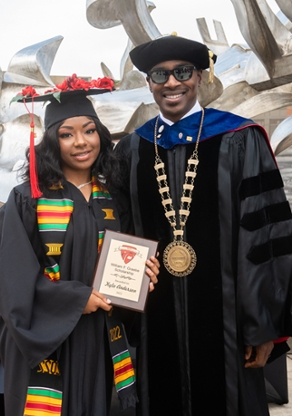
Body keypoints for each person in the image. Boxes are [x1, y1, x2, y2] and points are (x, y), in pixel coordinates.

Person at [115, 34, 292, 416]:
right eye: (159, 75)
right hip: (154, 326)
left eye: (182, 72)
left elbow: (266, 237)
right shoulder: (131, 150)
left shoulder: (241, 139)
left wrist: (263, 328)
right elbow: (120, 235)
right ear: (148, 84)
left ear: (199, 77)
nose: (171, 83)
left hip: (229, 329)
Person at [0, 74, 159, 416]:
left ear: (101, 134)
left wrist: (143, 274)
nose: (81, 142)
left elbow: (122, 265)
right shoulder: (27, 200)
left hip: (98, 337)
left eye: (89, 130)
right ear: (51, 142)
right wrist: (75, 299)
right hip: (44, 341)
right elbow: (10, 279)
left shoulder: (112, 198)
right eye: (67, 134)